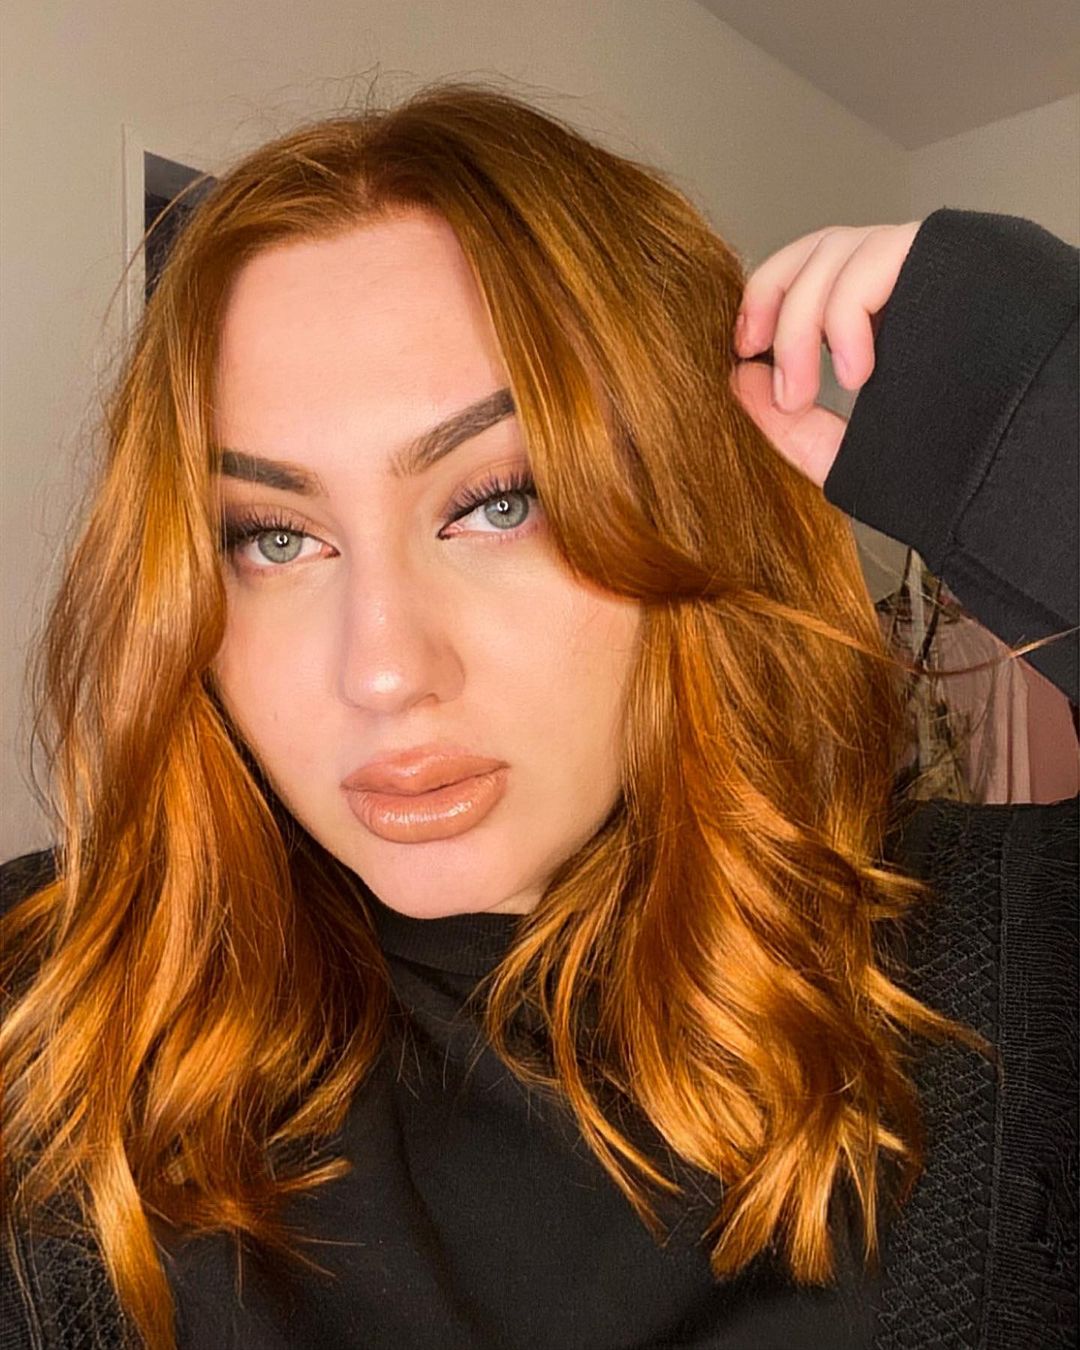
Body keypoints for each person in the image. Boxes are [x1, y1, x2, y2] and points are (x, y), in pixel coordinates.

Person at [0, 82, 1075, 1350]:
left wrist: (1052, 419)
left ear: (688, 502)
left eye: (500, 503)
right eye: (275, 537)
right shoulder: (47, 1014)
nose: (384, 671)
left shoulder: (1012, 972)